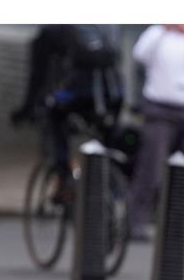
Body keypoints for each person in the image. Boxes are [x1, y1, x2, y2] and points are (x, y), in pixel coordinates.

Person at [127, 24, 184, 241]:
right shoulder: (156, 33)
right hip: (159, 111)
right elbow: (139, 54)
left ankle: (180, 223)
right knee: (151, 168)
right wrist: (163, 28)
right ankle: (136, 222)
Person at [10, 25, 124, 192]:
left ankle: (63, 173)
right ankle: (113, 188)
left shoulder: (54, 30)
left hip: (81, 92)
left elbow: (38, 74)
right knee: (107, 137)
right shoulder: (109, 26)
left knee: (55, 116)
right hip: (115, 93)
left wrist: (28, 108)